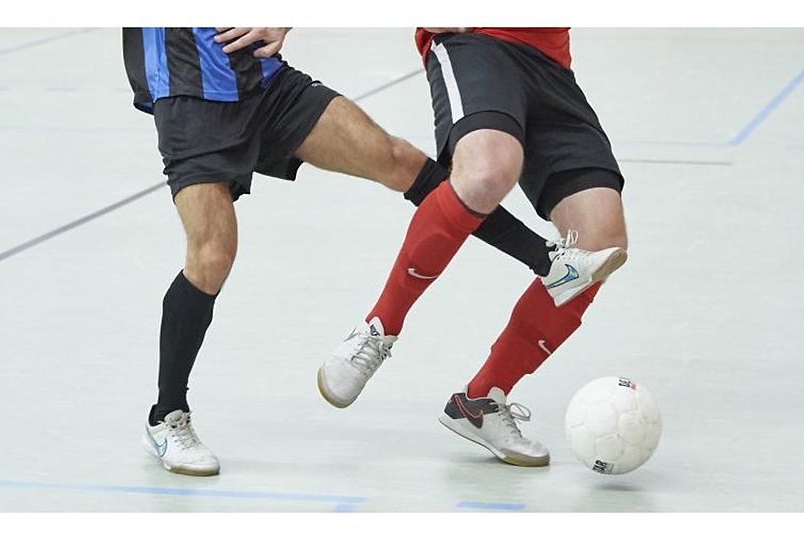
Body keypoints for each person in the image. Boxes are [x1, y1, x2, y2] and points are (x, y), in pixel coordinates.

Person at [122, 27, 563, 476]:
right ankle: (166, 417)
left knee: (397, 159)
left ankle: (551, 262)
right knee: (212, 256)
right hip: (186, 93)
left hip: (260, 77)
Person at [318, 28, 628, 467]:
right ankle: (377, 327)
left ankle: (480, 402)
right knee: (485, 172)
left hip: (550, 64)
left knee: (602, 242)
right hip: (478, 39)